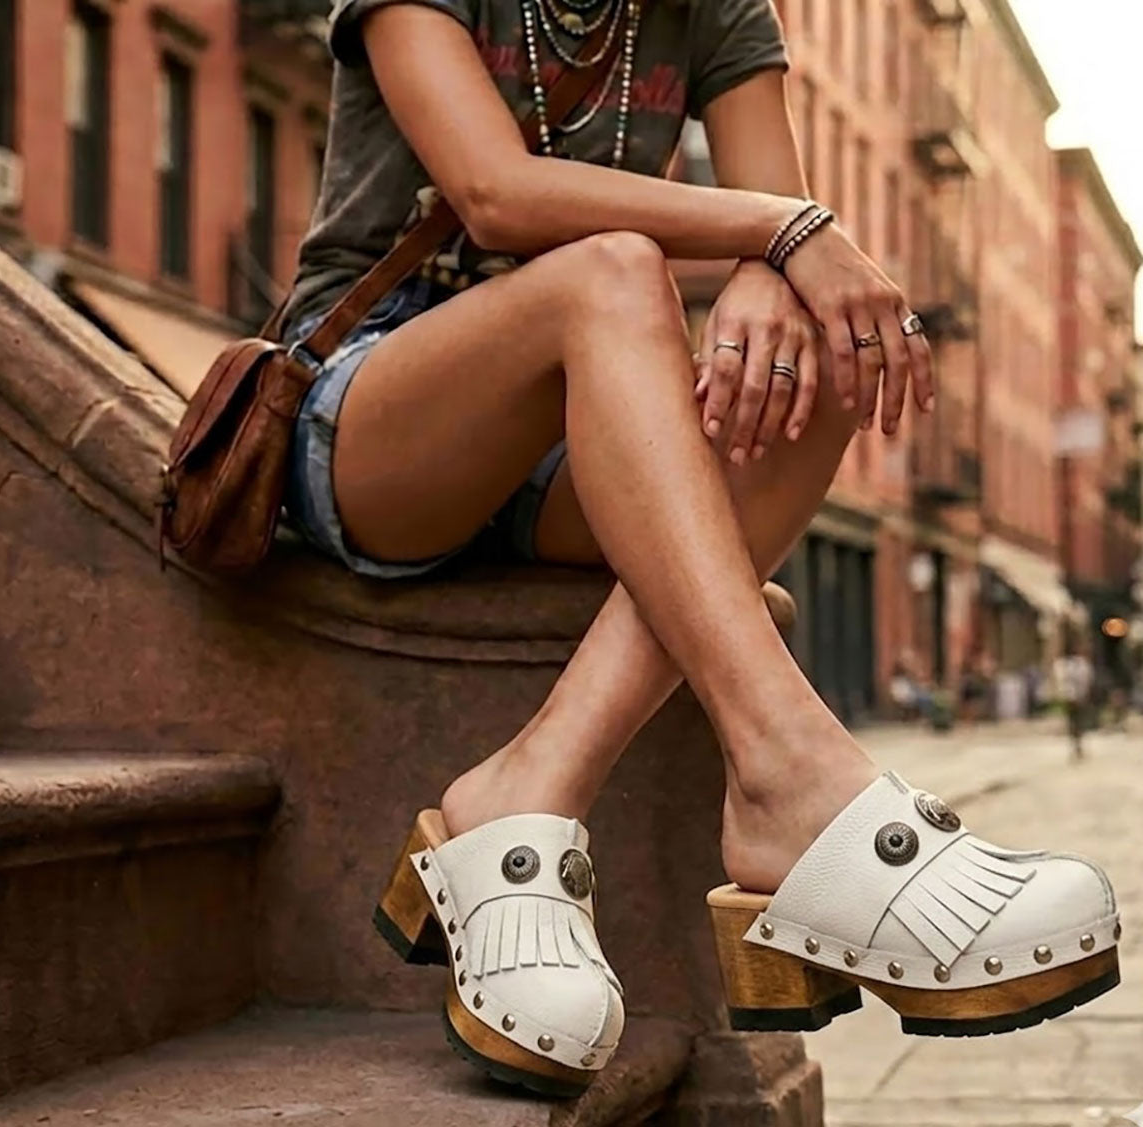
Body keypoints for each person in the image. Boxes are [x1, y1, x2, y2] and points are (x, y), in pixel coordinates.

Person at [284, 0, 1121, 1095]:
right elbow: (494, 192)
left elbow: (786, 221)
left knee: (827, 349)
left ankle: (532, 787)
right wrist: (780, 236)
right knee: (613, 268)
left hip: (576, 445)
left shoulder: (719, 11)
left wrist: (777, 275)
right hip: (369, 410)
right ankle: (792, 769)